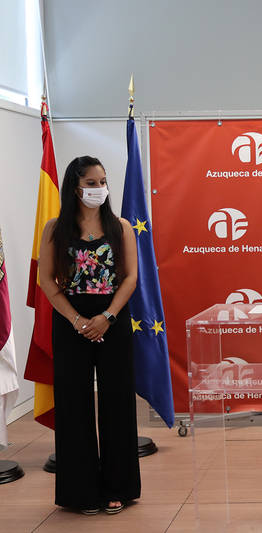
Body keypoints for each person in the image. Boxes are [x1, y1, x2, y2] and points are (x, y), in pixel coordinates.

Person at [38, 156, 140, 515]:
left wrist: (107, 317)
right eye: (91, 183)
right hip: (71, 322)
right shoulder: (55, 228)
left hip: (113, 319)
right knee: (73, 405)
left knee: (117, 401)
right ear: (74, 187)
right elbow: (46, 280)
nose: (99, 189)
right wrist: (77, 320)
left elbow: (131, 277)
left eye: (103, 182)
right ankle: (80, 491)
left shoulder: (120, 226)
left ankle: (118, 487)